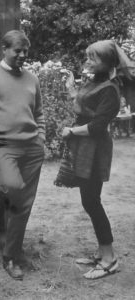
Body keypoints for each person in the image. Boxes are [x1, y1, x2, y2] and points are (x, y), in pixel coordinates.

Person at [0, 30, 45, 280]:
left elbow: (39, 113)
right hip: (4, 149)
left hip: (32, 149)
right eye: (18, 51)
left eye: (26, 51)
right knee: (14, 197)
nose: (23, 55)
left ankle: (13, 253)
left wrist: (41, 138)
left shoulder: (32, 79)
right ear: (5, 49)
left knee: (24, 204)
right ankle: (10, 255)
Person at [62, 40, 135, 279]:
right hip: (86, 147)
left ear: (107, 63)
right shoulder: (95, 82)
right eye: (88, 56)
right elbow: (83, 107)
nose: (88, 61)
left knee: (92, 201)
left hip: (96, 148)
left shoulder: (111, 89)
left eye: (93, 58)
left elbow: (96, 125)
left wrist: (71, 131)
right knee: (89, 200)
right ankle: (102, 252)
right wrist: (73, 90)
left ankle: (109, 258)